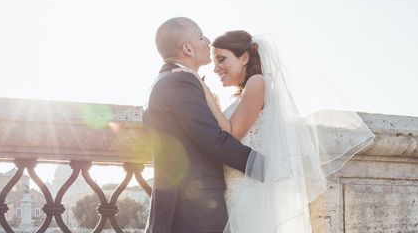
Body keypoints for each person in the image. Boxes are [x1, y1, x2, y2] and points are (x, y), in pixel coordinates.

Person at [195, 30, 374, 233]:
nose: (216, 68)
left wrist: (205, 92)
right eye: (214, 61)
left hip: (248, 192)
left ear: (244, 57)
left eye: (221, 59)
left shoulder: (258, 82)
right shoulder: (245, 93)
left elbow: (232, 133)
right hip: (236, 189)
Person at [143, 18, 256, 233]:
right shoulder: (179, 81)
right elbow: (213, 140)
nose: (207, 41)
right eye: (201, 36)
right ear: (187, 48)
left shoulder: (166, 80)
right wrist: (264, 166)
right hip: (194, 209)